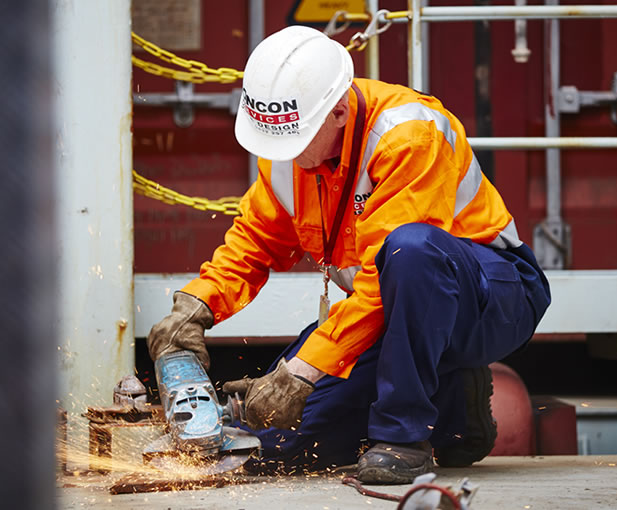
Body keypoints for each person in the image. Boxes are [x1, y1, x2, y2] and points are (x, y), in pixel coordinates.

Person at [147, 25, 550, 485]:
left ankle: (403, 437)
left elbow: (390, 277)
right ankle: (456, 406)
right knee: (285, 439)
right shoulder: (290, 147)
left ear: (339, 111)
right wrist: (195, 307)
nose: (286, 156)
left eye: (295, 141)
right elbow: (255, 239)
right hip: (394, 313)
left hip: (490, 297)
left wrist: (301, 368)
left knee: (410, 250)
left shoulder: (408, 136)